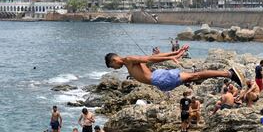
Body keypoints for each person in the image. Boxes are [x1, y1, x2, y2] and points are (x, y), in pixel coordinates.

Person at [104, 45, 245, 93]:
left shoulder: (127, 60)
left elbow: (149, 59)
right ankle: (228, 74)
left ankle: (228, 73)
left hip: (158, 78)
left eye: (113, 66)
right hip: (157, 77)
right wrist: (174, 54)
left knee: (195, 76)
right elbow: (149, 59)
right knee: (194, 77)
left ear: (114, 60)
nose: (115, 69)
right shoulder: (129, 62)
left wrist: (171, 57)